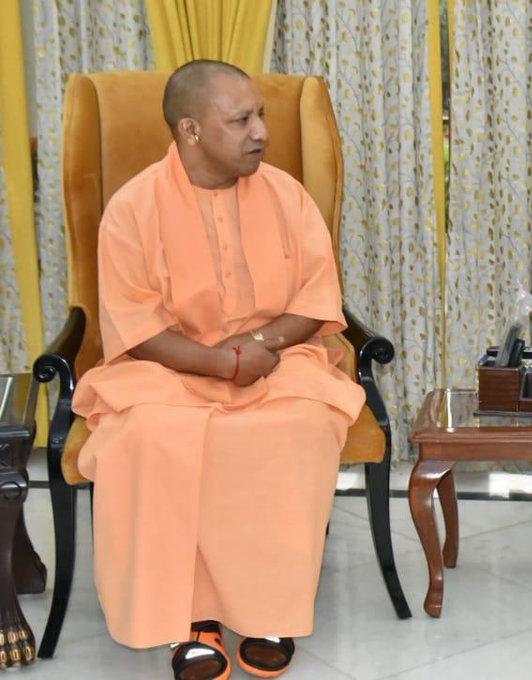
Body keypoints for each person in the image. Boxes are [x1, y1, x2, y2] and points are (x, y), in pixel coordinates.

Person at [72, 60, 364, 680]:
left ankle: (267, 611)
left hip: (276, 360)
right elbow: (139, 329)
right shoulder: (132, 209)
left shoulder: (287, 195)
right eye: (241, 120)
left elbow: (316, 301)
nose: (260, 130)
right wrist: (220, 362)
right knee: (150, 437)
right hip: (165, 368)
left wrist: (254, 348)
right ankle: (190, 618)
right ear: (191, 130)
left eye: (259, 114)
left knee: (301, 426)